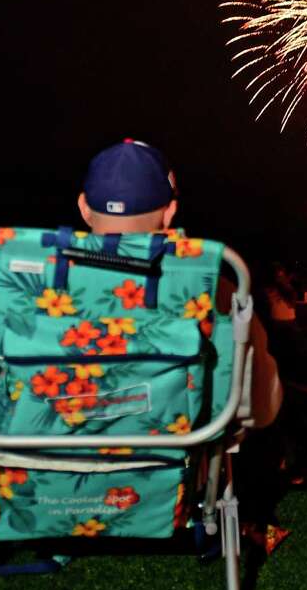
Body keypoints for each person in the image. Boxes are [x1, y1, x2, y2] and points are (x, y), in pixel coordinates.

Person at [77, 139, 282, 428]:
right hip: (168, 467)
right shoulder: (211, 289)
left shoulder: (30, 282)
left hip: (36, 466)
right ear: (170, 211)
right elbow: (260, 409)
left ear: (84, 207)